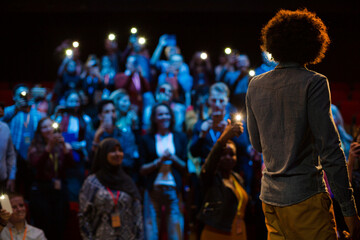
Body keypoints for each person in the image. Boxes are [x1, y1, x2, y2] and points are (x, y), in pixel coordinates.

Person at [246, 9, 360, 239]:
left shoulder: (255, 84)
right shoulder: (314, 82)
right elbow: (330, 150)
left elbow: (257, 144)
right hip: (306, 199)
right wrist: (349, 211)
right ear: (313, 44)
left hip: (269, 201)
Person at [139, 103, 187, 240]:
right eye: (160, 114)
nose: (164, 117)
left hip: (173, 189)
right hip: (153, 189)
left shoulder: (180, 137)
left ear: (171, 117)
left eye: (166, 114)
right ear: (154, 118)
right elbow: (141, 169)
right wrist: (158, 161)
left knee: (175, 231)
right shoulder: (146, 139)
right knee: (151, 230)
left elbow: (185, 167)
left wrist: (172, 157)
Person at [79, 138, 143, 240]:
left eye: (120, 150)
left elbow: (137, 216)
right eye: (113, 151)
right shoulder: (92, 182)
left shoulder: (127, 181)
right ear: (103, 155)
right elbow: (84, 217)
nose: (118, 154)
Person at [198, 119, 248, 240]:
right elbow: (210, 163)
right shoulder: (211, 178)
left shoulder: (238, 179)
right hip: (216, 234)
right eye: (224, 154)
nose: (228, 157)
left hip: (238, 233)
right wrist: (223, 139)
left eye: (232, 154)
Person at [28, 117, 73, 240]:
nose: (48, 130)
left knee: (60, 224)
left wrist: (64, 146)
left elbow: (71, 165)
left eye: (50, 126)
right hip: (42, 190)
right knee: (44, 225)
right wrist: (49, 146)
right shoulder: (35, 146)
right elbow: (36, 165)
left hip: (59, 190)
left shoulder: (61, 145)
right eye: (44, 127)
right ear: (39, 131)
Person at [0, 84, 43, 199]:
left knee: (31, 192)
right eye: (20, 94)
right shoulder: (9, 111)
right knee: (10, 192)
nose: (23, 97)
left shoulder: (37, 114)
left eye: (26, 94)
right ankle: (10, 214)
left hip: (31, 157)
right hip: (12, 157)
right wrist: (16, 109)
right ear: (14, 97)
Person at [92, 100, 139, 182]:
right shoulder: (92, 134)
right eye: (107, 112)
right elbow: (92, 161)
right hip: (100, 179)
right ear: (100, 116)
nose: (111, 115)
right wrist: (97, 138)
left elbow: (129, 161)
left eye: (113, 111)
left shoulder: (125, 135)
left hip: (121, 177)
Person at [0, 102, 16, 193]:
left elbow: (10, 154)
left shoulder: (5, 128)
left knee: (5, 207)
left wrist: (11, 176)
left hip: (2, 180)